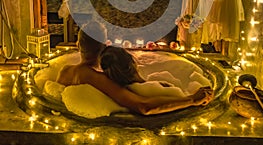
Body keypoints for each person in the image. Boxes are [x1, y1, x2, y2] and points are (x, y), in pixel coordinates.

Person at [56, 21, 213, 116]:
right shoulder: (96, 78)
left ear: (78, 46)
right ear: (104, 45)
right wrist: (191, 100)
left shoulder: (64, 71)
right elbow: (143, 106)